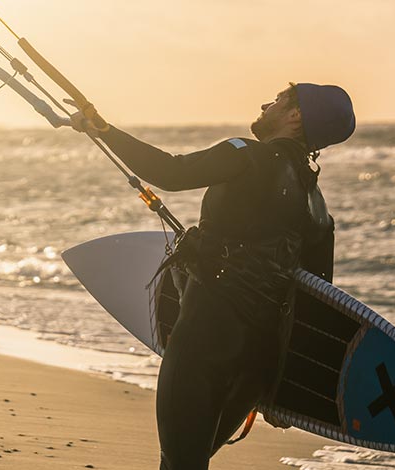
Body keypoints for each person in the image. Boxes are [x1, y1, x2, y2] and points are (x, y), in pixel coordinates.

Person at [70, 82, 355, 470]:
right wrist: (284, 392)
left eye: (278, 99)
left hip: (206, 337)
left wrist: (104, 130)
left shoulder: (247, 154)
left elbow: (169, 172)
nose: (265, 102)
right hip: (257, 365)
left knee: (179, 464)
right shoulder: (317, 208)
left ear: (296, 116)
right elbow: (317, 307)